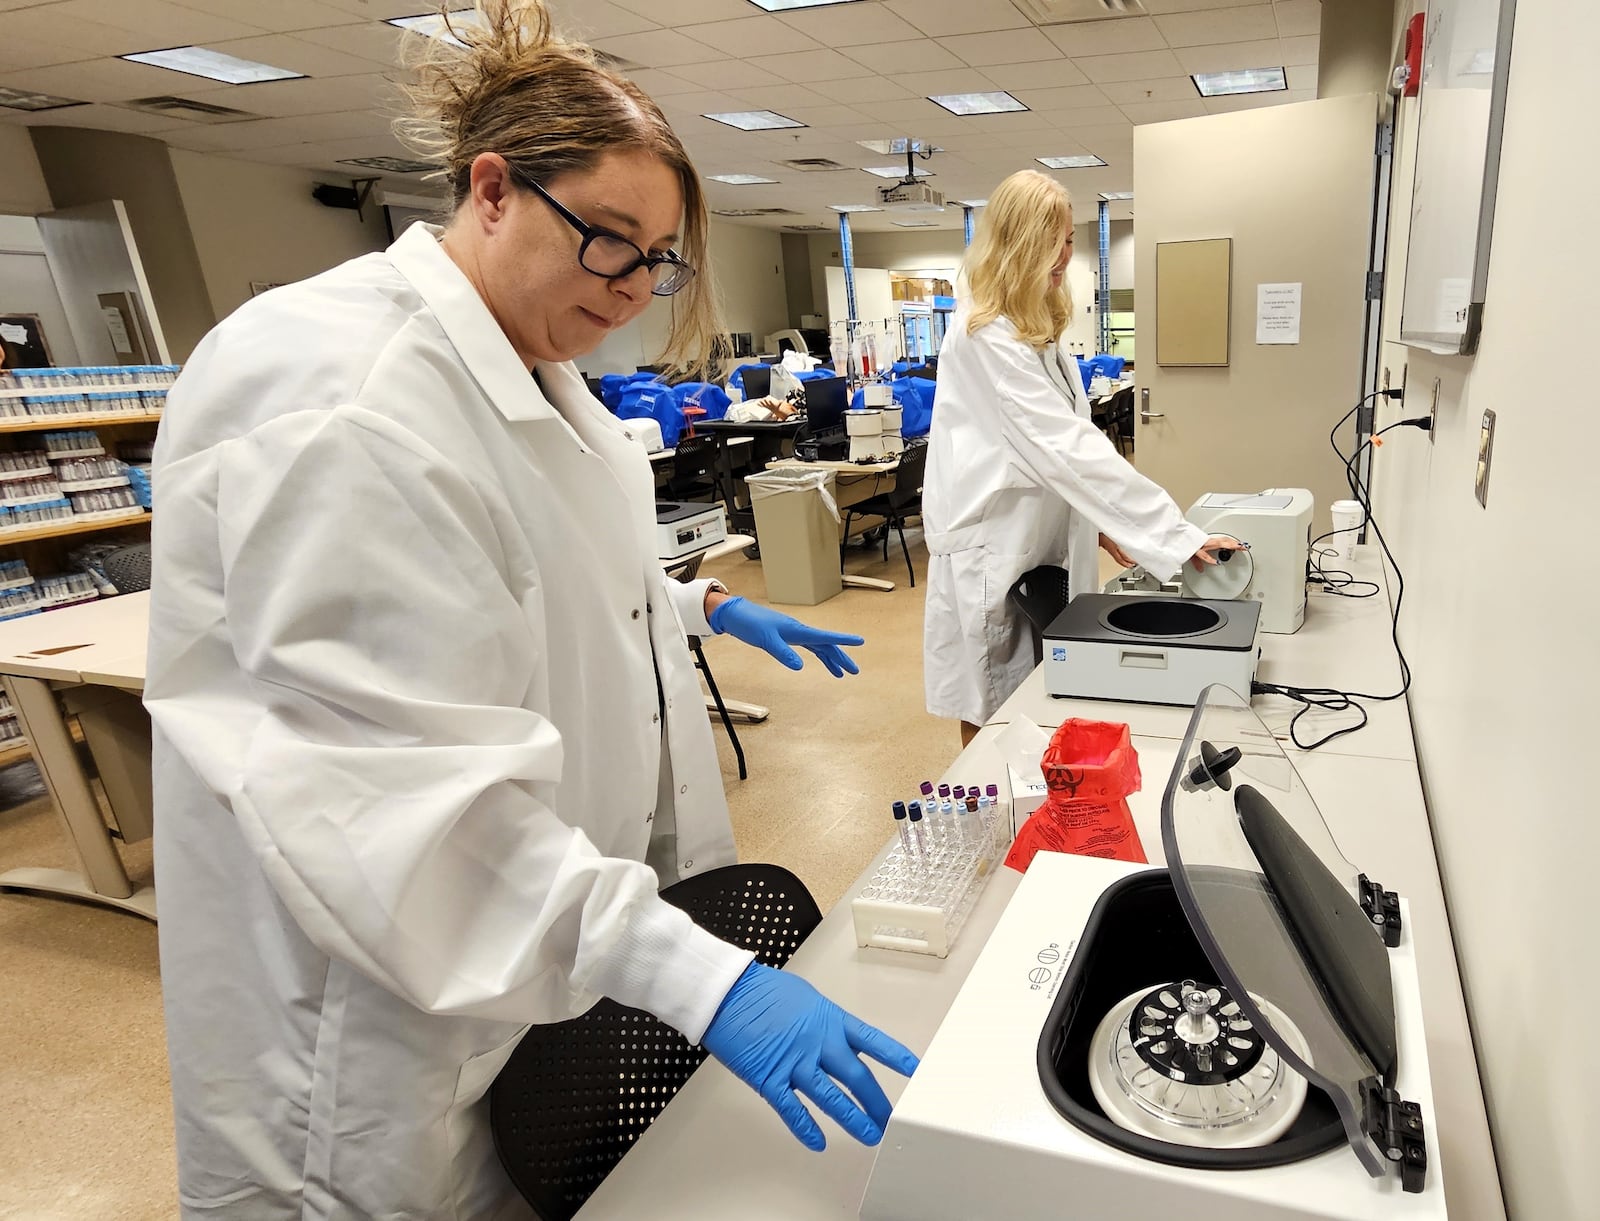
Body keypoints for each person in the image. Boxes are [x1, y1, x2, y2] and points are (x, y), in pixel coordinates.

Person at [144, 4, 917, 1217]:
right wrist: (706, 983)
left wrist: (693, 605)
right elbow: (395, 795)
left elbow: (519, 576)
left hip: (529, 955)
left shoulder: (532, 358)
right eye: (610, 242)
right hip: (381, 1006)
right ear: (491, 188)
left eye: (658, 260)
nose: (634, 291)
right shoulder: (338, 397)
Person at [922, 170, 1238, 744]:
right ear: (1019, 243)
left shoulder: (1035, 330)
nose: (1065, 255)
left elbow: (1059, 447)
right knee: (993, 702)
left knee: (1043, 695)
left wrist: (1102, 527)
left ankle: (1045, 810)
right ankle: (1000, 822)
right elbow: (1068, 450)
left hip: (1039, 539)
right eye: (1054, 241)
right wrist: (1174, 534)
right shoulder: (986, 337)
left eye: (1070, 239)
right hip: (991, 546)